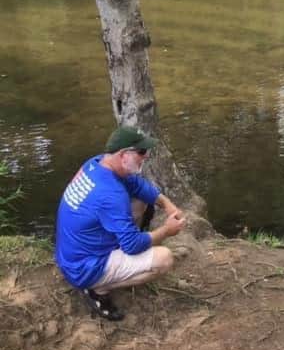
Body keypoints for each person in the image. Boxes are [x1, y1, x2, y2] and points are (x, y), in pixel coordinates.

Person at [55, 126, 186, 321]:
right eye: (141, 152)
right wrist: (166, 231)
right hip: (83, 267)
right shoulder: (111, 194)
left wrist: (167, 204)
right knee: (164, 258)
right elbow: (132, 246)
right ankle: (97, 289)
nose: (145, 156)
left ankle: (115, 259)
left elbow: (137, 185)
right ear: (124, 155)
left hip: (71, 253)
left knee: (141, 200)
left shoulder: (96, 163)